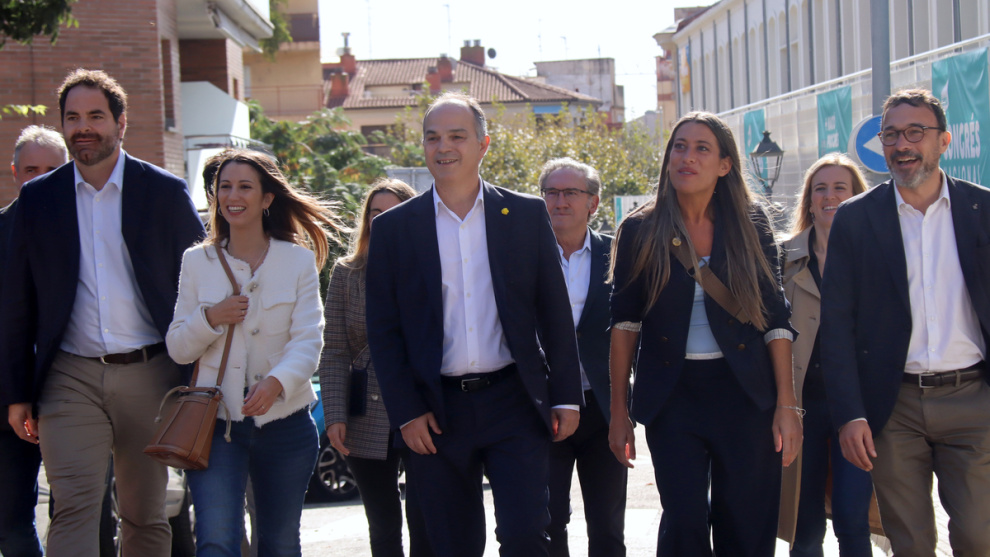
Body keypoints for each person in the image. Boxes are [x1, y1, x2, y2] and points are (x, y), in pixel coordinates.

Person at [365, 92, 583, 557]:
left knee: (526, 537)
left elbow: (554, 311)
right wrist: (406, 411)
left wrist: (565, 395)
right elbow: (383, 330)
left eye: (457, 136)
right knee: (452, 545)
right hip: (435, 412)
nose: (443, 147)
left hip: (514, 402)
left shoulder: (524, 215)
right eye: (433, 137)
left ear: (483, 144)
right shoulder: (394, 229)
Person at [0, 69, 205, 557]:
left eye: (95, 116)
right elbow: (16, 302)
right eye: (73, 118)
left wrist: (200, 374)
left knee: (144, 513)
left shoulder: (163, 192)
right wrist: (17, 393)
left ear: (120, 123)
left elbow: (202, 283)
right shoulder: (38, 199)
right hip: (68, 377)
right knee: (73, 507)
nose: (83, 128)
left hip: (151, 373)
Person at [607, 111, 801, 557]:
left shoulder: (751, 223)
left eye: (701, 149)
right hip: (673, 396)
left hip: (746, 393)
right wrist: (619, 411)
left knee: (747, 524)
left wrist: (787, 405)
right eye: (679, 147)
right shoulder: (640, 228)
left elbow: (776, 317)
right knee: (685, 521)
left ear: (724, 165)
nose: (687, 157)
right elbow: (624, 324)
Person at [821, 88, 990, 556]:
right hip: (892, 406)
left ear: (944, 141)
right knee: (910, 543)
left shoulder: (982, 210)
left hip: (974, 401)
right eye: (891, 135)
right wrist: (850, 413)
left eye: (916, 132)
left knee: (979, 536)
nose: (902, 145)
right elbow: (836, 324)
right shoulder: (856, 219)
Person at [165, 149, 339, 556]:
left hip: (286, 424)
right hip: (216, 425)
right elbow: (177, 347)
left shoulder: (297, 261)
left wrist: (277, 382)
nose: (232, 196)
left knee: (279, 543)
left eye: (245, 187)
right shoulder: (196, 261)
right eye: (224, 187)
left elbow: (309, 339)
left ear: (267, 198)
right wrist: (212, 317)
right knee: (215, 540)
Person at [319, 178, 432, 557]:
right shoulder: (346, 272)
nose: (382, 221)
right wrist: (335, 414)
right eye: (375, 213)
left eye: (393, 213)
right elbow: (335, 350)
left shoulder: (432, 267)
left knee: (425, 520)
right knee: (383, 526)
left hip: (423, 409)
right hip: (364, 413)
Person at [776, 154, 874, 556]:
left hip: (859, 406)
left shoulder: (878, 255)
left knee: (853, 518)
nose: (830, 196)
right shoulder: (781, 257)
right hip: (800, 404)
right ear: (809, 200)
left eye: (840, 188)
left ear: (857, 196)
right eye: (820, 188)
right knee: (804, 524)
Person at [539, 158, 626, 557]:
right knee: (548, 520)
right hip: (543, 408)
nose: (560, 201)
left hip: (603, 409)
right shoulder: (523, 254)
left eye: (571, 192)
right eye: (551, 192)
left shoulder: (619, 255)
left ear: (593, 202)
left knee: (607, 526)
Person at [0, 125, 67, 557]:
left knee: (80, 518)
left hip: (79, 395)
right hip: (10, 404)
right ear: (14, 173)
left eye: (51, 171)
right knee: (11, 524)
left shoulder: (90, 232)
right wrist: (15, 396)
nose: (40, 180)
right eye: (30, 170)